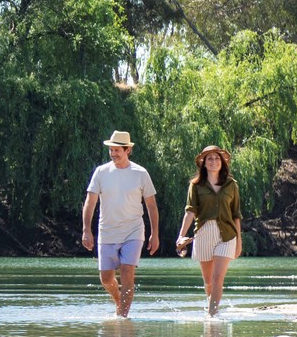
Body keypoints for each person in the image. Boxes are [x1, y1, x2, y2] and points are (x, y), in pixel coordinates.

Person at [79, 130, 158, 318]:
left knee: (127, 270)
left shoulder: (141, 173)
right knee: (106, 278)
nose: (113, 154)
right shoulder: (101, 172)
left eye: (117, 151)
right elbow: (90, 202)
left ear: (128, 150)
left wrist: (155, 234)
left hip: (133, 230)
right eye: (111, 150)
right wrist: (86, 230)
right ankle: (119, 301)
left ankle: (122, 317)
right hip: (107, 231)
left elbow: (152, 206)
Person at [174, 144, 244, 316]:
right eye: (209, 159)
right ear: (203, 163)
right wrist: (181, 236)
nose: (214, 161)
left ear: (223, 162)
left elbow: (236, 214)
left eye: (217, 158)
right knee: (208, 282)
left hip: (227, 235)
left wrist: (239, 241)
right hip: (204, 233)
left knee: (218, 277)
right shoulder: (196, 185)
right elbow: (190, 211)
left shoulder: (231, 185)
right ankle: (212, 305)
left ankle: (212, 314)